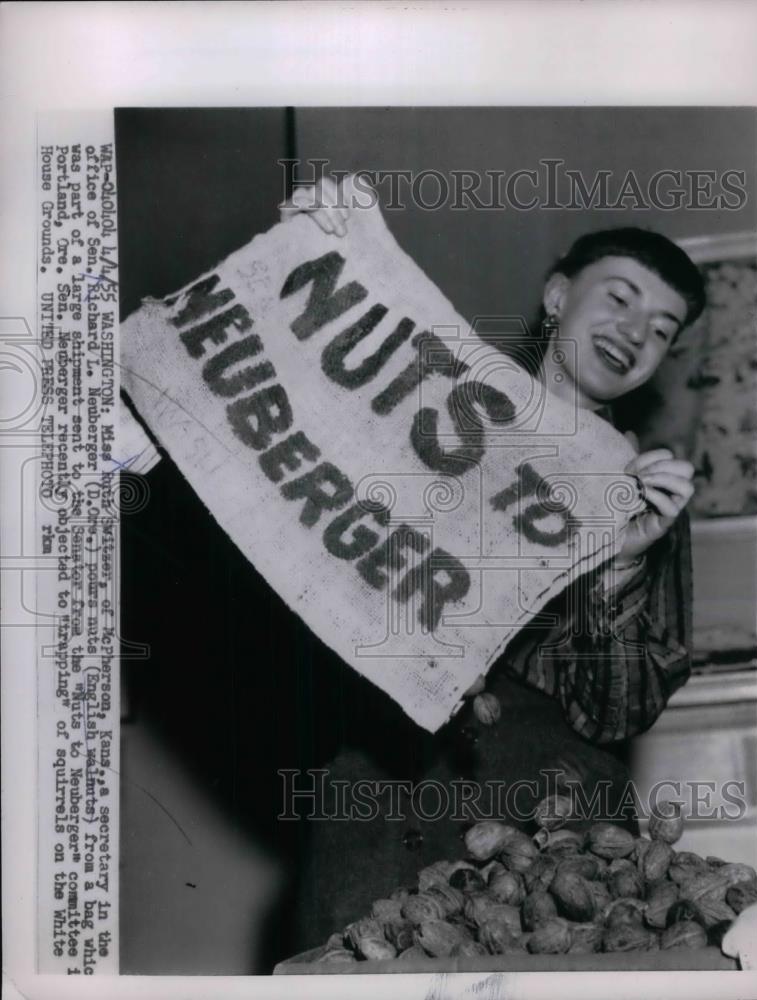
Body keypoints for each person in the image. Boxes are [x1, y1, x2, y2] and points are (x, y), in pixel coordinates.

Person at [273, 176, 706, 954]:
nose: (636, 332)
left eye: (663, 328)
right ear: (555, 295)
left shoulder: (645, 495)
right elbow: (290, 473)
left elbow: (616, 718)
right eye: (618, 298)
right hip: (383, 798)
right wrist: (314, 249)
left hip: (554, 825)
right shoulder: (427, 405)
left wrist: (620, 569)